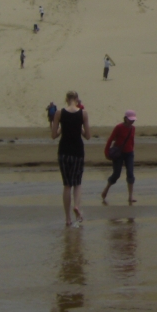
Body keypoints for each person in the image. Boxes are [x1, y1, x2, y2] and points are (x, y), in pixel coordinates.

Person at [52, 91, 90, 226]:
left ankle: (68, 218)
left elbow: (54, 135)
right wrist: (79, 127)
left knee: (67, 184)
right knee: (77, 182)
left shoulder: (59, 113)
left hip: (64, 151)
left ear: (66, 99)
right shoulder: (83, 114)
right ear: (77, 99)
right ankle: (77, 206)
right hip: (77, 151)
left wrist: (62, 127)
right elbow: (88, 135)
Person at [101, 110, 137, 206]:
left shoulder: (133, 128)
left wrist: (132, 150)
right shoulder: (119, 127)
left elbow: (132, 140)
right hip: (119, 154)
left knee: (130, 173)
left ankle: (130, 196)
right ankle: (106, 189)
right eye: (130, 120)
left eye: (133, 120)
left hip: (129, 153)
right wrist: (107, 152)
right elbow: (110, 139)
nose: (132, 122)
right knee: (116, 174)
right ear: (125, 118)